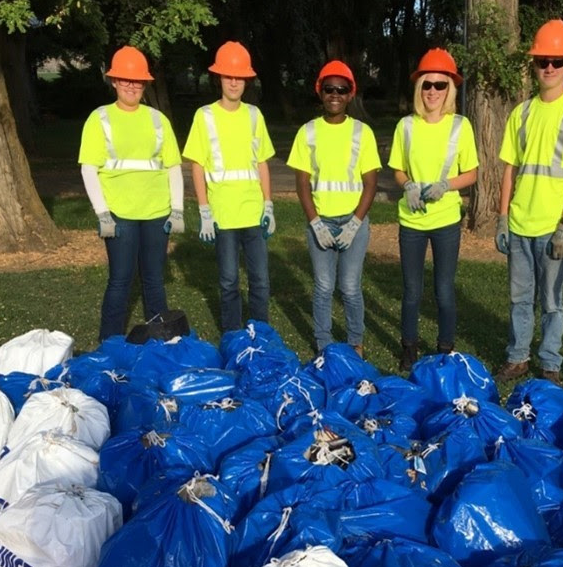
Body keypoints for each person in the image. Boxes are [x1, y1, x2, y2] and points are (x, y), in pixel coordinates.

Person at [494, 20, 563, 386]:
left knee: (552, 302)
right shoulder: (521, 113)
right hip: (520, 224)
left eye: (556, 60)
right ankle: (518, 357)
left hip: (554, 227)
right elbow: (510, 170)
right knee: (520, 299)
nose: (549, 68)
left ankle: (549, 363)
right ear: (533, 64)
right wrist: (503, 217)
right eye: (542, 61)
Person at [79, 46, 184, 341]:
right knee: (120, 281)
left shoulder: (157, 120)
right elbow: (89, 169)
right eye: (125, 79)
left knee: (154, 281)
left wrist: (176, 209)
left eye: (137, 81)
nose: (131, 85)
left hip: (156, 213)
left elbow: (173, 167)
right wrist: (102, 213)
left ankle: (160, 340)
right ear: (113, 81)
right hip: (119, 215)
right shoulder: (100, 119)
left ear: (145, 84)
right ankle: (109, 343)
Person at [388, 48, 478, 370]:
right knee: (412, 290)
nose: (433, 92)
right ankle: (409, 347)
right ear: (419, 88)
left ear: (450, 90)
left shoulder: (460, 126)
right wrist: (407, 185)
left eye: (440, 86)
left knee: (444, 289)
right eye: (427, 84)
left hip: (446, 220)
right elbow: (397, 168)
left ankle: (445, 349)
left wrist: (447, 186)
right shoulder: (406, 126)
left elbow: (472, 173)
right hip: (411, 219)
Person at [287, 61, 381, 357]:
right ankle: (324, 344)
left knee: (350, 287)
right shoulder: (308, 132)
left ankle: (355, 342)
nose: (335, 94)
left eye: (342, 89)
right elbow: (302, 183)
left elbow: (370, 183)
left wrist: (355, 223)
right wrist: (314, 222)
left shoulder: (362, 132)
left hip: (353, 220)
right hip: (321, 221)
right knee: (324, 287)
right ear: (320, 92)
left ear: (351, 94)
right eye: (329, 89)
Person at [183, 41, 275, 333]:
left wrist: (269, 205)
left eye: (239, 77)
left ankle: (261, 335)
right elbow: (197, 165)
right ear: (219, 78)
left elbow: (262, 162)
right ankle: (233, 336)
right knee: (228, 281)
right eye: (228, 76)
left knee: (260, 280)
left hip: (253, 211)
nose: (234, 82)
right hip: (222, 214)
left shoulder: (254, 115)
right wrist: (204, 210)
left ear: (246, 81)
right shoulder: (205, 116)